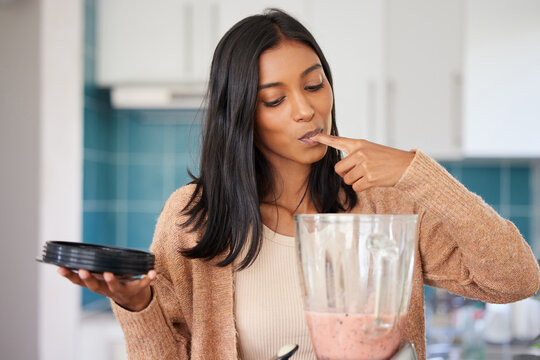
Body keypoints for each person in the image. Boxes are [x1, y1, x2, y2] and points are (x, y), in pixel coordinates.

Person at [59, 8, 540, 360]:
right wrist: (138, 305)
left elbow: (516, 279)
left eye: (314, 85)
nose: (305, 109)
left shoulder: (382, 202)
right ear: (242, 114)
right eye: (274, 99)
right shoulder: (193, 217)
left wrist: (419, 172)